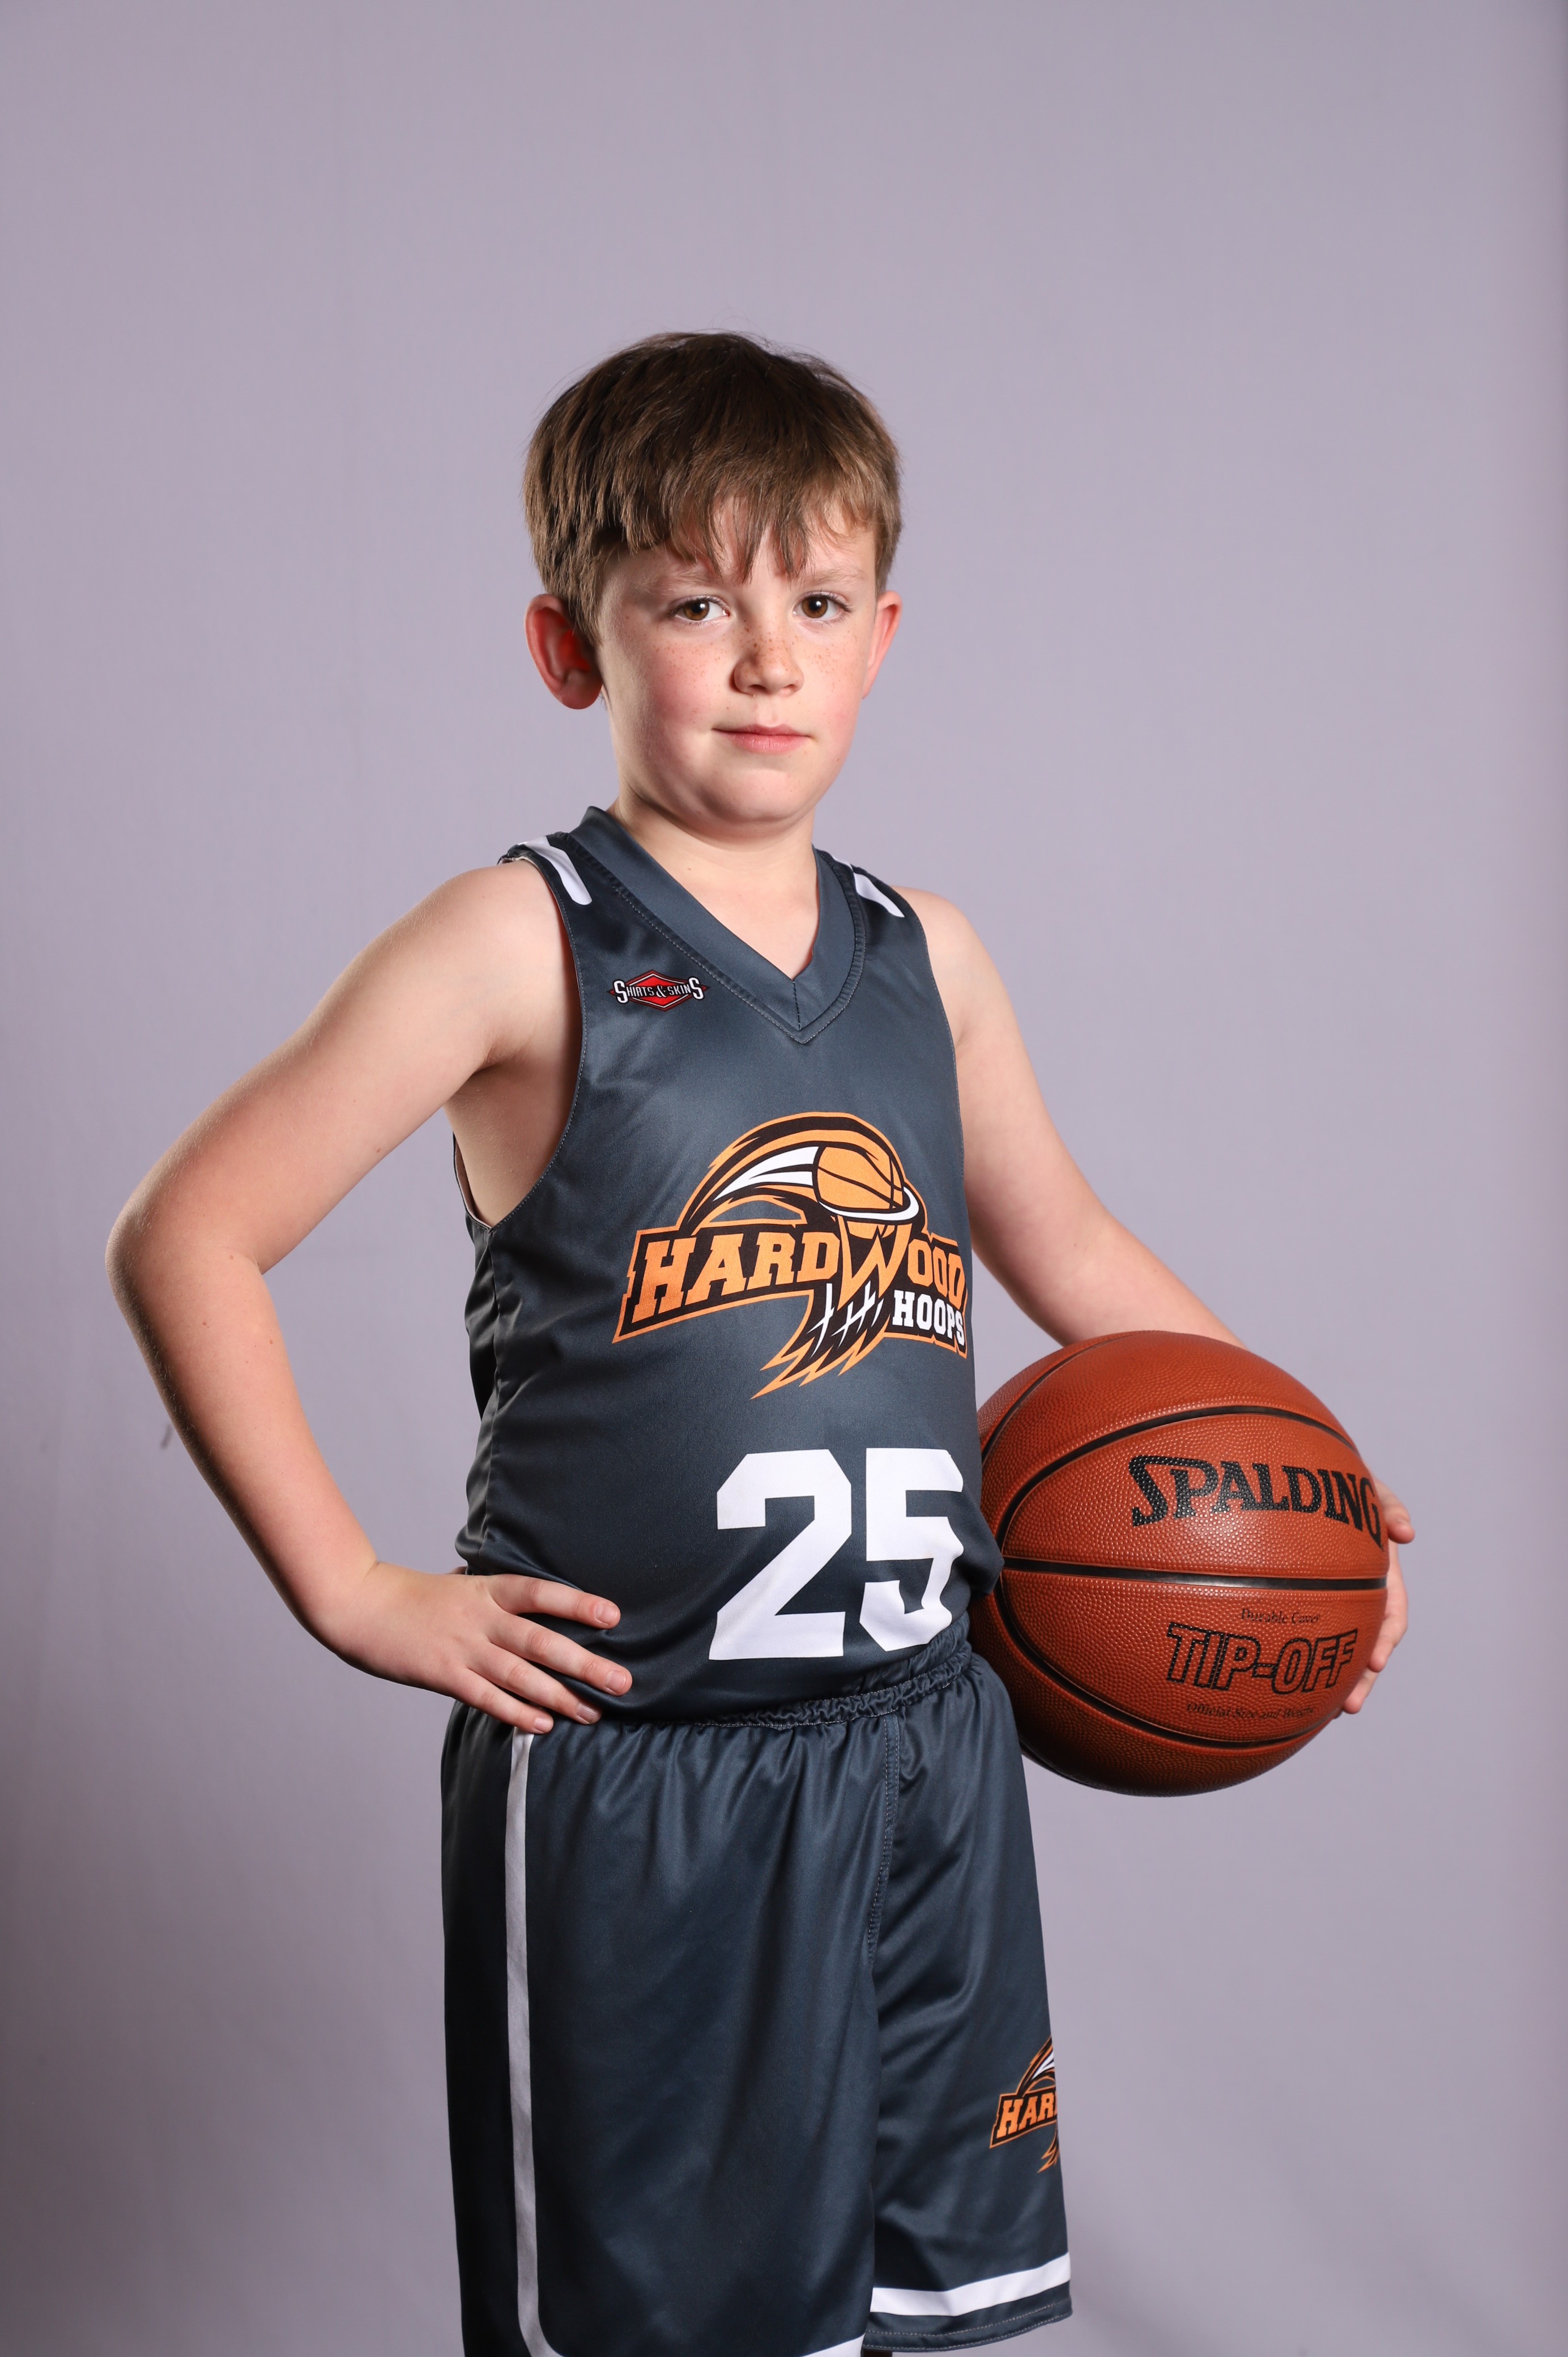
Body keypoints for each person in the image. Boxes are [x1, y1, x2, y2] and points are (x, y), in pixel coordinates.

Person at [107, 331, 1410, 2357]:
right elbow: (189, 1231)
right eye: (696, 607)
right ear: (572, 647)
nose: (766, 661)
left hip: (925, 1751)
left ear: (884, 638)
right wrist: (351, 1587)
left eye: (814, 603)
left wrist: (1303, 1486)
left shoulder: (928, 955)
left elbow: (1069, 1247)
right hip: (648, 1787)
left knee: (917, 2323)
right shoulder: (518, 939)